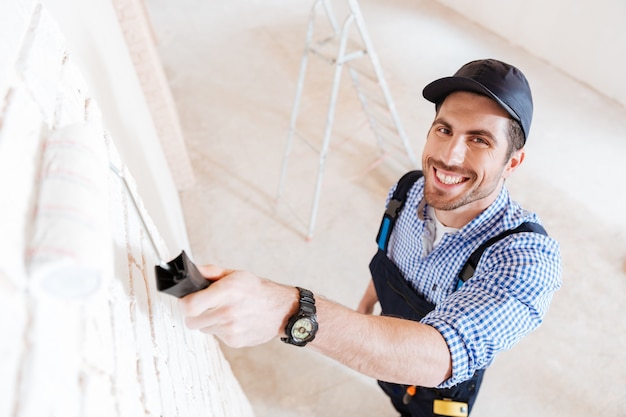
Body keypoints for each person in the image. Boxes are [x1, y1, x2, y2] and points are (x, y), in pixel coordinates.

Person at [180, 58, 562, 416]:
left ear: (513, 162)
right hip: (384, 350)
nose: (449, 156)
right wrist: (365, 306)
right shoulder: (409, 189)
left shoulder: (525, 258)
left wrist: (290, 311)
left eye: (479, 140)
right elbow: (387, 260)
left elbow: (439, 356)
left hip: (439, 392)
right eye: (444, 130)